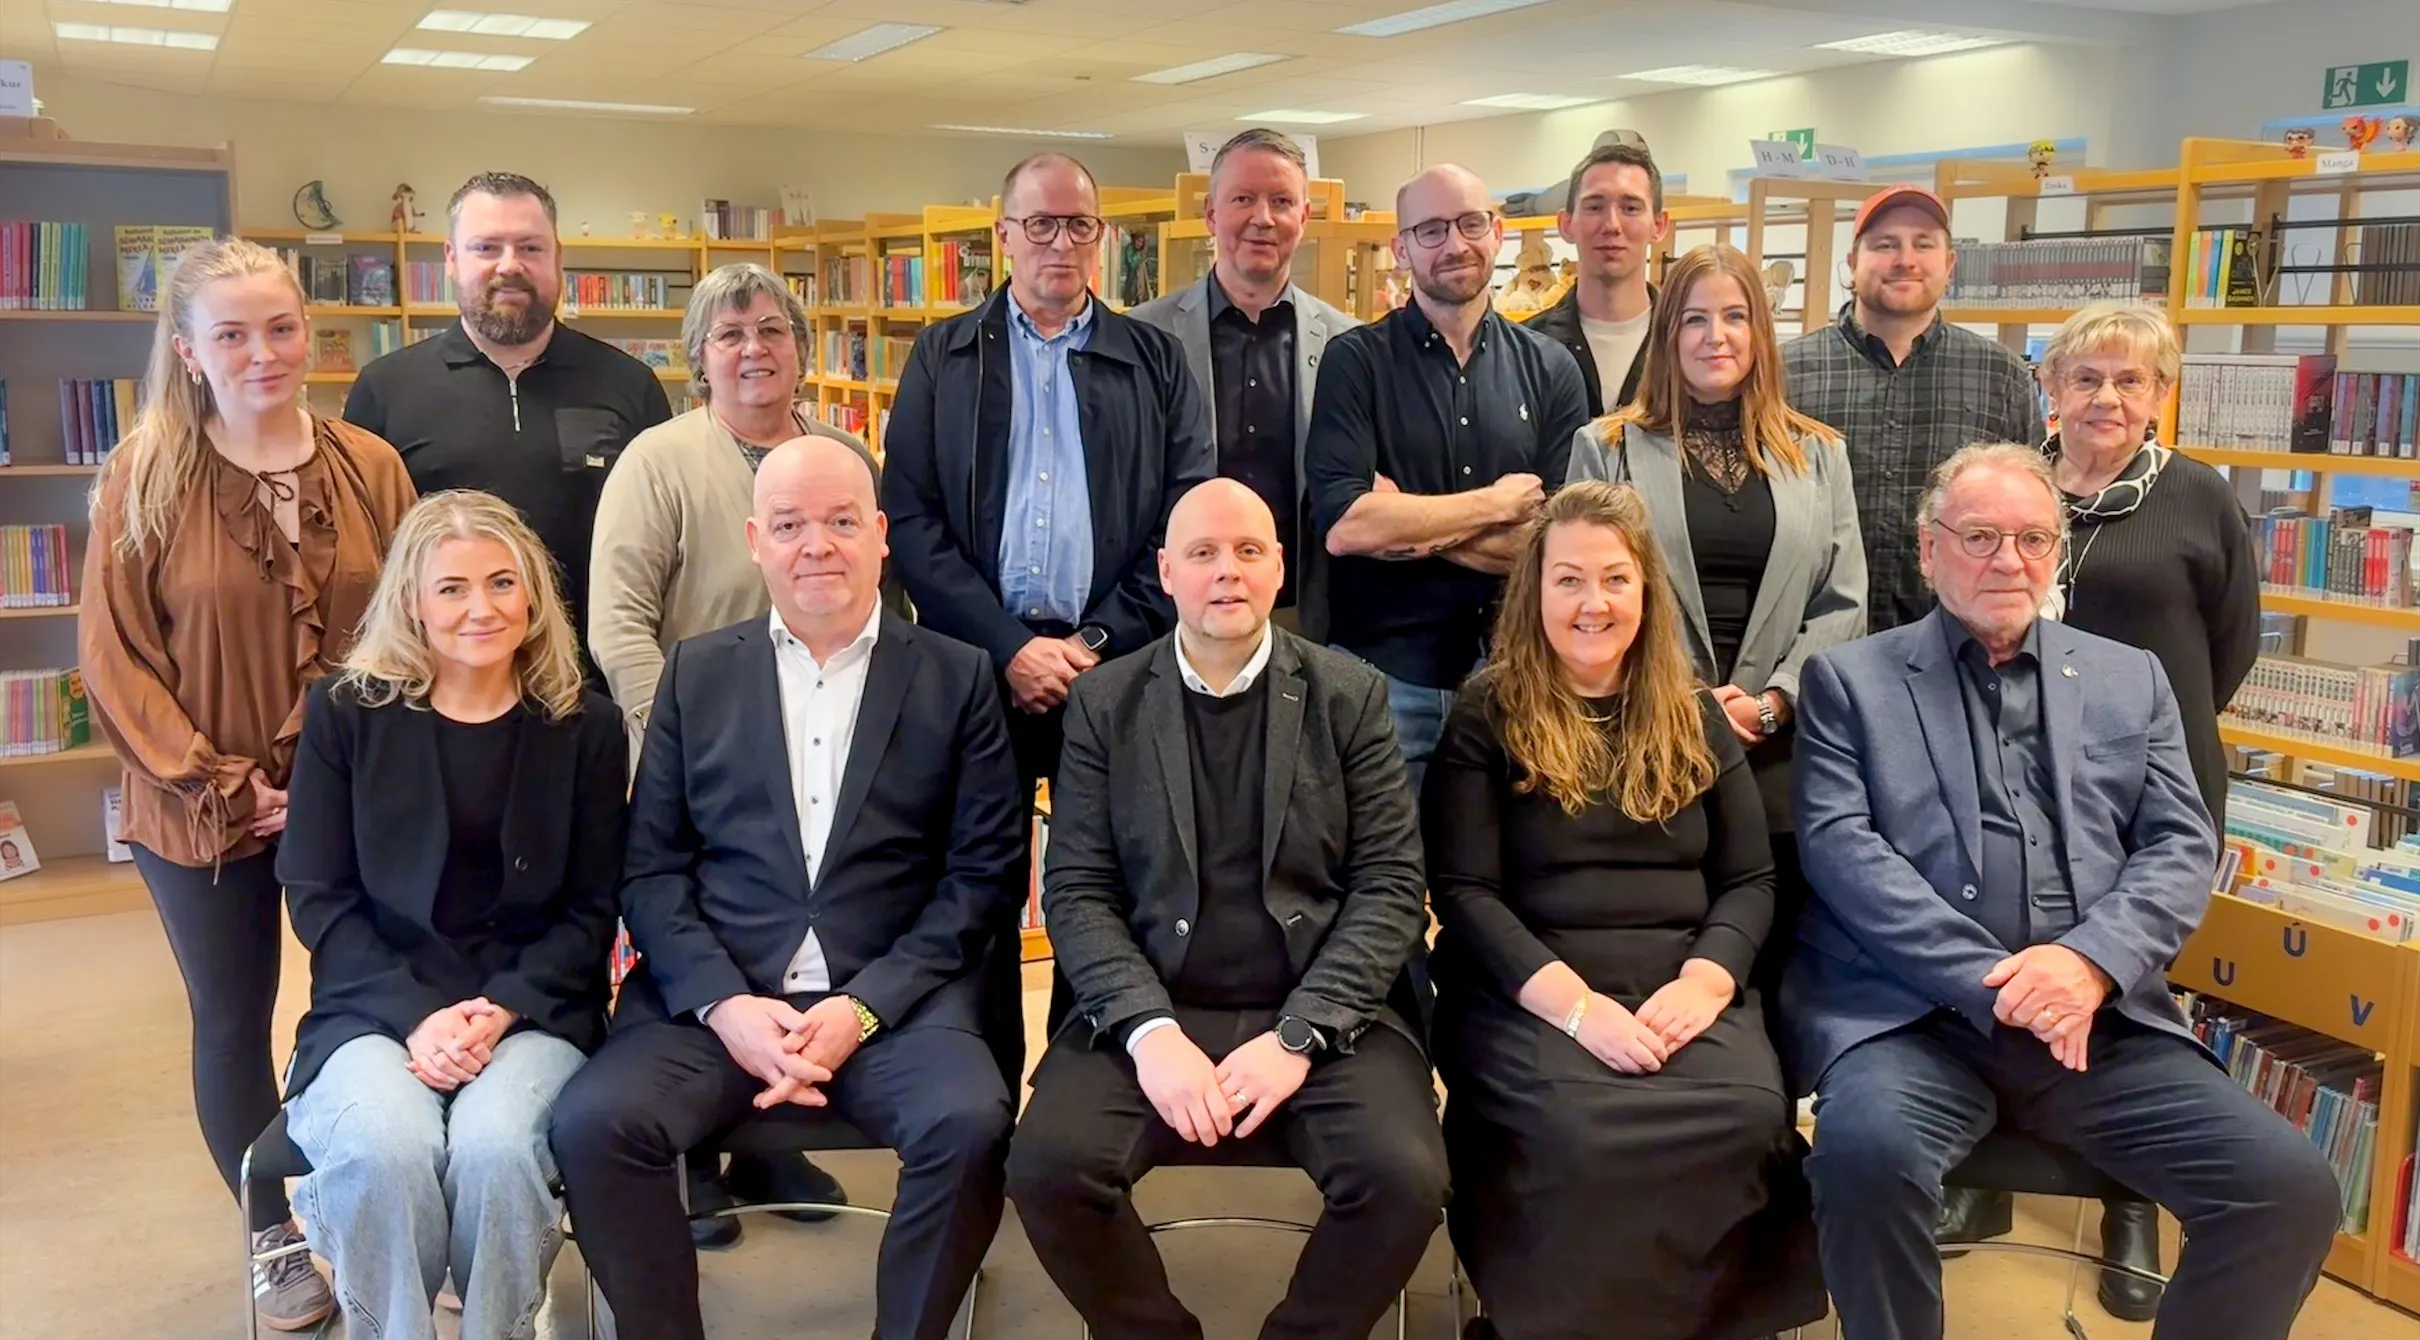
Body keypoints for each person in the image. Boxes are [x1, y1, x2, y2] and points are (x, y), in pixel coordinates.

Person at [1787, 443, 2342, 1340]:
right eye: (1979, 536)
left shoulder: (2132, 678)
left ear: (2057, 553)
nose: (2008, 560)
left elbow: (2180, 845)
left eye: (2033, 539)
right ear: (1929, 550)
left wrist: (2086, 967)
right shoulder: (1851, 681)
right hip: (1914, 1020)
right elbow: (1844, 855)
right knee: (1864, 1158)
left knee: (2288, 1189)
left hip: (2100, 1025)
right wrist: (2005, 987)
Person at [550, 434, 1027, 1340]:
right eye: (789, 525)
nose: (817, 546)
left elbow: (982, 877)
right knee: (593, 1124)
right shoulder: (695, 673)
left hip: (894, 1004)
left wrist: (864, 1008)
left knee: (969, 1124)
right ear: (754, 541)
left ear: (880, 534)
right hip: (720, 1004)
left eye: (842, 522)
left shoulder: (957, 676)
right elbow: (650, 870)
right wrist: (726, 1004)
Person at [1007, 479, 1445, 1340]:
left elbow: (1392, 884)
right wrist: (1149, 1032)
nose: (1227, 572)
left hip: (1322, 1010)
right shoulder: (1104, 702)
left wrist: (1301, 1035)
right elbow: (1079, 891)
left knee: (1404, 1179)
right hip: (1153, 1007)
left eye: (1248, 550)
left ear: (1279, 566)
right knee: (1048, 1167)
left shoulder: (1350, 693)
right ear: (1166, 572)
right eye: (1203, 553)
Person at [77, 236, 416, 1333]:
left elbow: (405, 625)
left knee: (380, 1000)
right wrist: (221, 780)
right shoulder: (143, 475)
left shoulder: (372, 466)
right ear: (188, 350)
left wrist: (314, 772)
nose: (263, 352)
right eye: (232, 334)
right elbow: (116, 660)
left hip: (351, 792)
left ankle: (392, 1203)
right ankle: (272, 1231)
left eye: (281, 327)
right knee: (232, 1016)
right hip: (197, 809)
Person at [1423, 480, 1825, 1340]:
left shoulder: (1696, 716)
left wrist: (1708, 983)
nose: (1593, 603)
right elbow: (1464, 895)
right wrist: (1578, 1010)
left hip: (1683, 983)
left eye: (1614, 579)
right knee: (1576, 1131)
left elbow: (1751, 878)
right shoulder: (1486, 714)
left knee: (1745, 1116)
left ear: (1647, 589)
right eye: (1569, 580)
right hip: (1531, 993)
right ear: (1534, 593)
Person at [880, 150, 1211, 1064]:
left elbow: (1186, 520)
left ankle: (1081, 1077)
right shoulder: (944, 356)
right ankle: (977, 1081)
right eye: (1040, 224)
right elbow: (911, 520)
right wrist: (1007, 647)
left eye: (1078, 225)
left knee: (1106, 885)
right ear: (1003, 237)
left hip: (1116, 672)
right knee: (972, 885)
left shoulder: (1154, 360)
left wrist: (1094, 641)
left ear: (1100, 237)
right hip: (974, 672)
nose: (1060, 242)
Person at [277, 491, 626, 1340]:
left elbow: (595, 907)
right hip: (375, 1007)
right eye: (453, 588)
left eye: (503, 582)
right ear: (412, 601)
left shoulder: (586, 725)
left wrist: (500, 1008)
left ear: (534, 594)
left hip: (534, 1009)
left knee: (497, 1149)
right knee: (386, 1150)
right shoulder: (345, 714)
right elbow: (320, 895)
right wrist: (418, 1018)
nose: (482, 608)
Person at [585, 261, 873, 1244]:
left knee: (793, 936)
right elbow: (618, 621)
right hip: (697, 758)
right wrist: (681, 732)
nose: (754, 349)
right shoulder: (658, 461)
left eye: (772, 330)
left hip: (824, 747)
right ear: (698, 356)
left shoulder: (839, 453)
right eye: (730, 333)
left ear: (803, 348)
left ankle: (768, 1140)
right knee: (701, 941)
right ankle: (693, 1155)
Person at [1568, 243, 1865, 1027]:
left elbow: (1843, 603)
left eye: (1735, 317)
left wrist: (1773, 702)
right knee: (1664, 961)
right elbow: (1583, 597)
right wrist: (1686, 706)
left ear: (1761, 332)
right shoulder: (1607, 448)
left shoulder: (1820, 454)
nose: (1716, 336)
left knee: (1773, 955)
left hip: (1777, 742)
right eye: (1694, 319)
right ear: (1667, 335)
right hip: (1647, 735)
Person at [2034, 302, 2261, 1316]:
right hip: (2024, 774)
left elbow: (2229, 647)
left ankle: (2129, 1206)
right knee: (2024, 959)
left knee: (2130, 987)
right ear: (2050, 388)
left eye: (2131, 380)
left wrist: (2148, 730)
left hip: (2151, 787)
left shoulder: (2197, 496)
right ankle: (1984, 1178)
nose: (2107, 398)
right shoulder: (2017, 485)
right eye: (2086, 377)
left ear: (2160, 393)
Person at [1306, 164, 1590, 791]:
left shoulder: (1551, 370)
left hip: (1518, 681)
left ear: (1498, 232)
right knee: (1383, 856)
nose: (1455, 244)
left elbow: (1556, 549)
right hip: (1382, 681)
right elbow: (1348, 528)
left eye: (1470, 223)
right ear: (1401, 249)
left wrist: (1405, 518)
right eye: (1431, 230)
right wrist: (1497, 504)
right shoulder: (1355, 362)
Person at [345, 171, 672, 670]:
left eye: (530, 248)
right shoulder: (385, 390)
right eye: (486, 247)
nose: (509, 265)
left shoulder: (630, 385)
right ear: (451, 259)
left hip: (596, 686)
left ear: (558, 257)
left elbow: (662, 548)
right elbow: (366, 558)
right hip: (438, 686)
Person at [1784, 184, 2043, 638]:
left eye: (1923, 245)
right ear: (1853, 261)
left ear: (1949, 264)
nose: (1905, 260)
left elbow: (2032, 515)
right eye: (1885, 245)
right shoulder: (1786, 372)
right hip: (1810, 643)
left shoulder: (2000, 376)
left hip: (1959, 646)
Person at [1129, 128, 1357, 639]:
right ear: (1211, 214)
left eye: (1282, 201)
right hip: (1171, 614)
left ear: (1305, 216)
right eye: (1243, 199)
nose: (1263, 218)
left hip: (1300, 614)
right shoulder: (1143, 336)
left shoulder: (1349, 343)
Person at [1522, 138, 1671, 418]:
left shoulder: (1687, 343)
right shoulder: (1524, 351)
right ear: (1566, 225)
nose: (1611, 225)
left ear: (1659, 226)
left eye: (1630, 208)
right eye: (1594, 207)